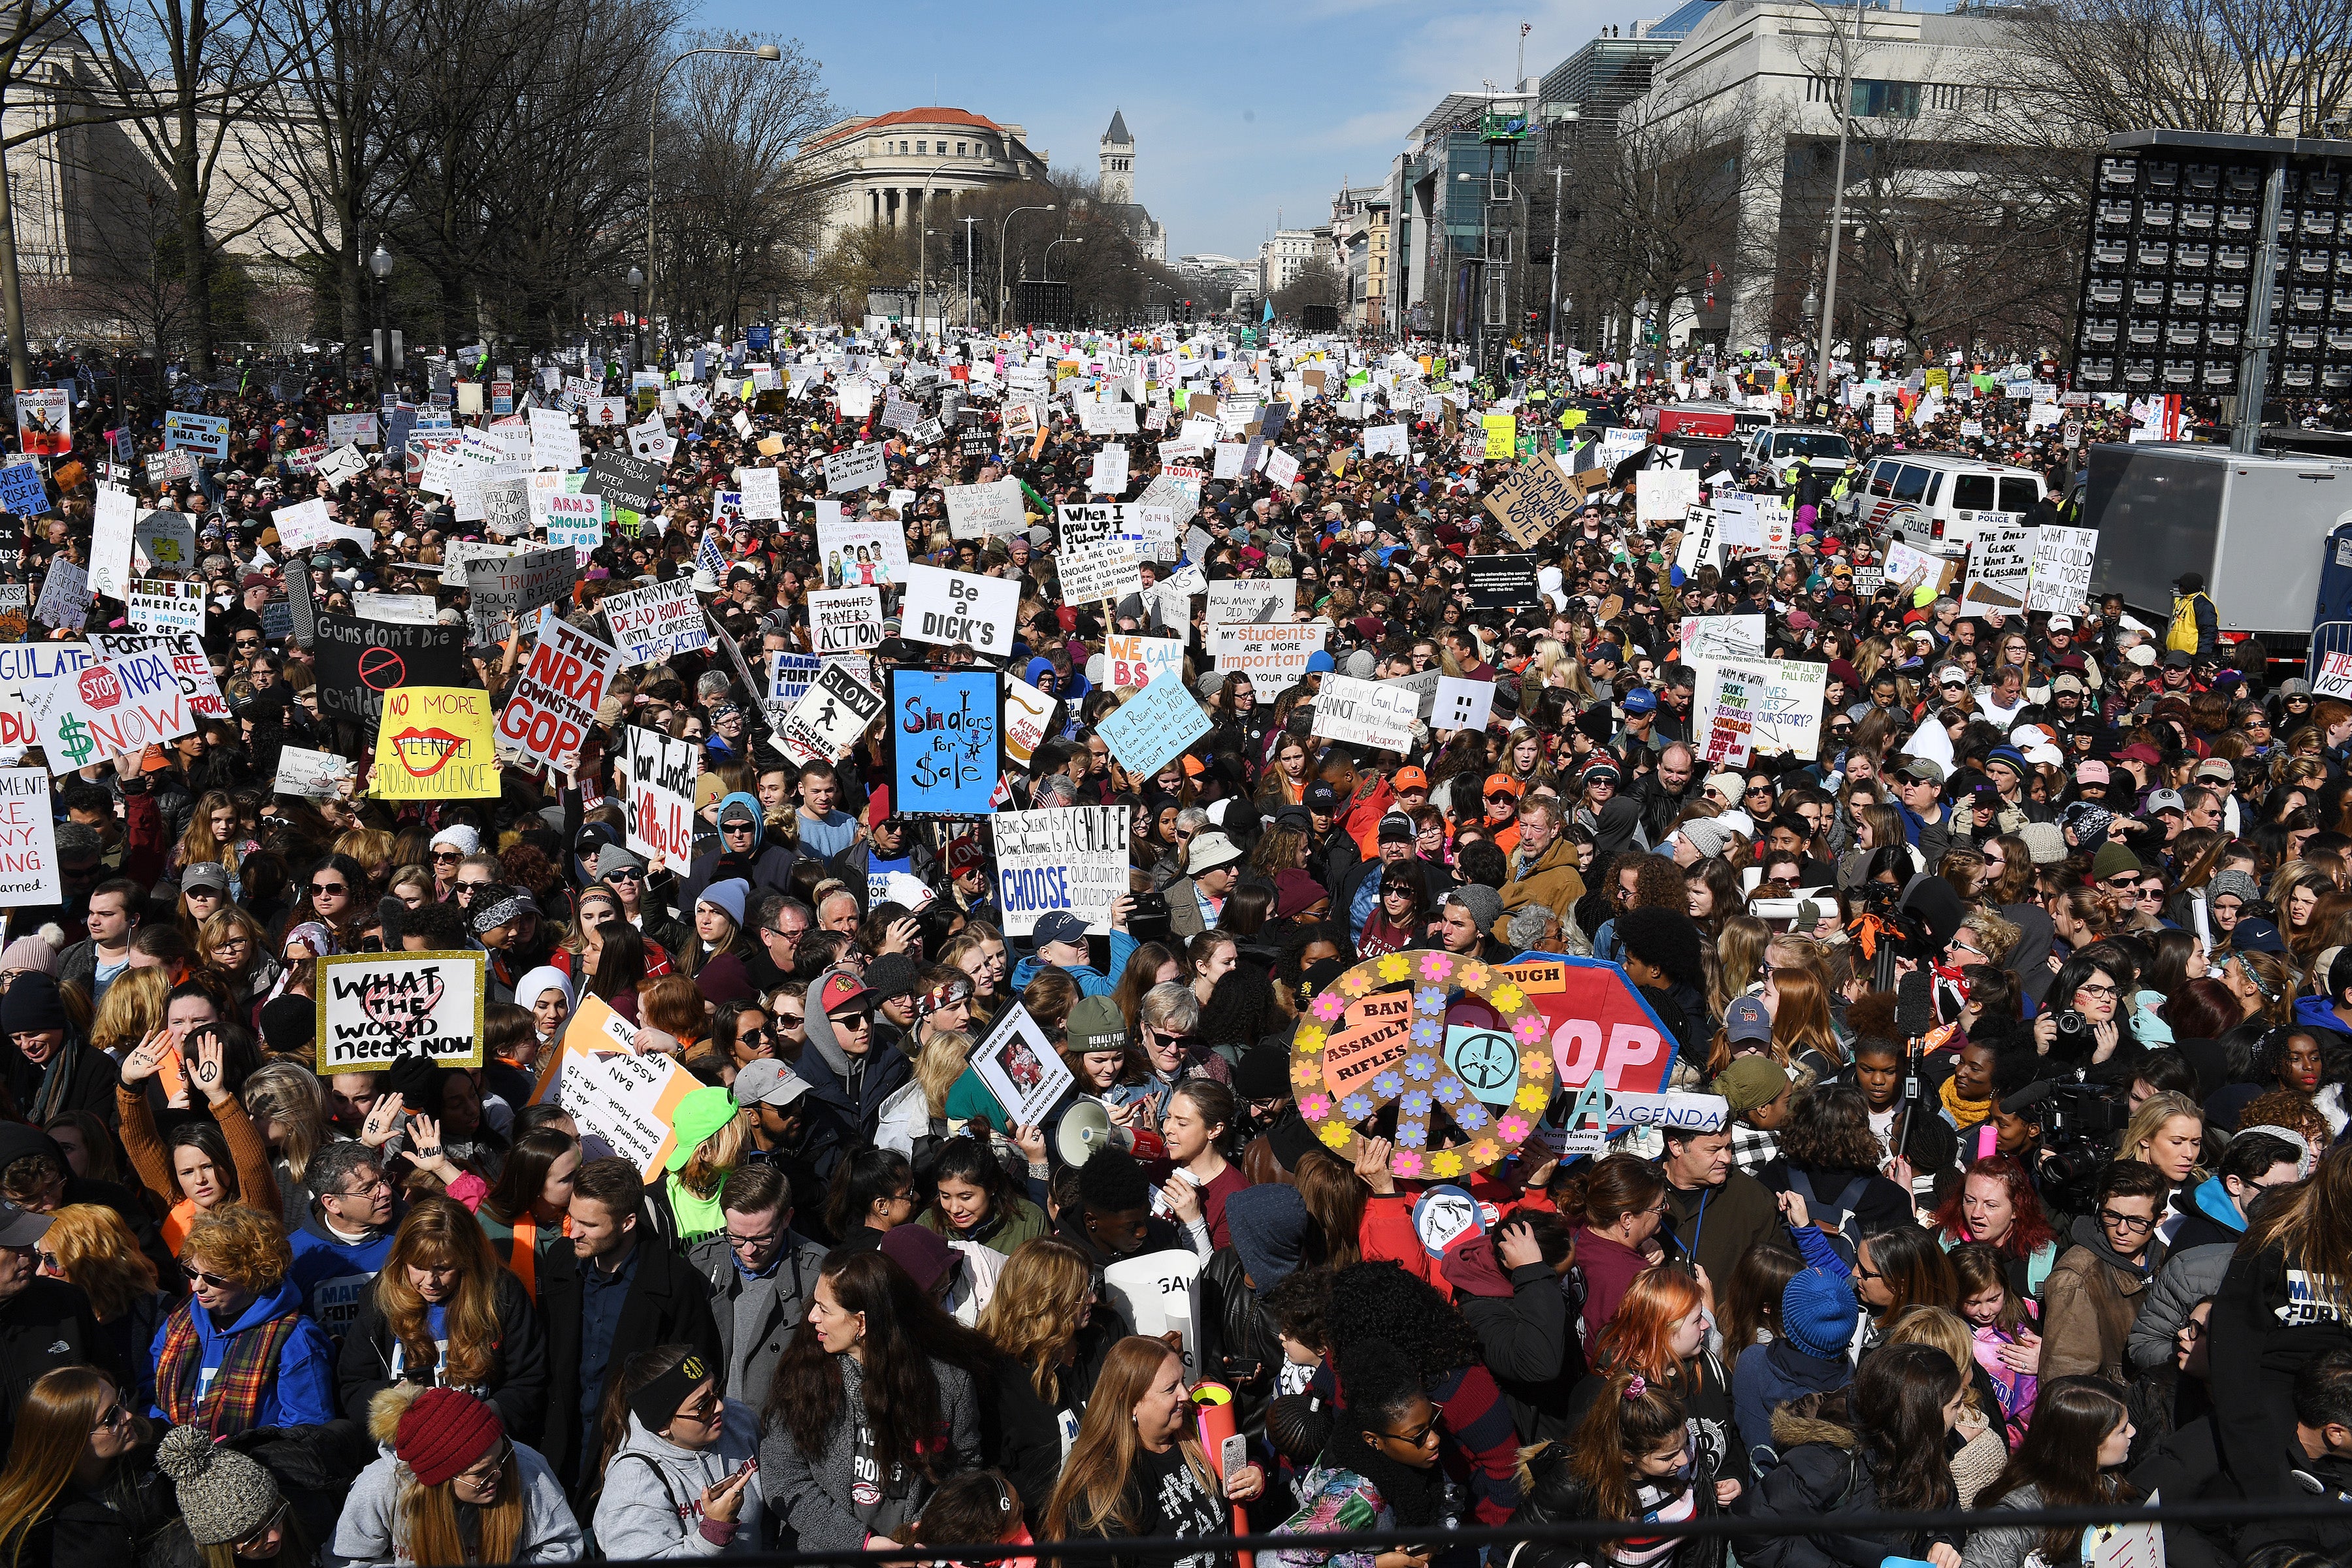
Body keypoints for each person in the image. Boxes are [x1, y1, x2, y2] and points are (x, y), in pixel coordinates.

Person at [760, 1247, 989, 1550]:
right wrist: (862, 1543)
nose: (812, 1316)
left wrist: (928, 1533)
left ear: (862, 1323)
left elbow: (964, 1470)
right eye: (815, 1304)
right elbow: (784, 1478)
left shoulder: (949, 1385)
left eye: (825, 1310)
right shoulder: (804, 1377)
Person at [536, 1156, 720, 1500]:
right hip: (561, 1454)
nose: (572, 1232)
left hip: (632, 1463)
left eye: (588, 1224)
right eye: (571, 1218)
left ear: (627, 1222)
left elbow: (697, 1373)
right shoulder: (562, 1262)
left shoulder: (676, 1285)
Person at [1733, 1342, 1969, 1568]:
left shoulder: (1925, 1444)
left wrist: (1944, 1540)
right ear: (1921, 1415)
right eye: (1956, 1406)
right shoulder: (1828, 1463)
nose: (1961, 1414)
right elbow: (1750, 1529)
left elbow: (1946, 1504)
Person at [337, 1192, 548, 1436]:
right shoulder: (379, 1300)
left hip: (485, 1444)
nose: (430, 1282)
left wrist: (475, 1425)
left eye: (443, 1268)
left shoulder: (502, 1295)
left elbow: (528, 1381)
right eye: (418, 1267)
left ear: (467, 1261)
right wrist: (397, 1397)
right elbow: (354, 1385)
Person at [1044, 1334, 1266, 1566]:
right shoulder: (1107, 1485)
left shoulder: (1194, 1428)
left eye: (1183, 1380)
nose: (1185, 1394)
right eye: (1171, 1389)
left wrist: (1255, 1474)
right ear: (1131, 1403)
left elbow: (1243, 1460)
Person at [335, 1383, 583, 1565]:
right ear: (439, 1478)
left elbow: (562, 1548)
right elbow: (350, 1560)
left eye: (501, 1457)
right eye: (481, 1473)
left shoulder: (527, 1468)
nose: (498, 1473)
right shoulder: (381, 1486)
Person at [1262, 1339, 1454, 1568]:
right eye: (1418, 1435)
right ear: (1373, 1440)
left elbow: (1449, 1505)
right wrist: (1373, 1564)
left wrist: (1433, 1541)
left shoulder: (1419, 1459)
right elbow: (1271, 1559)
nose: (1434, 1440)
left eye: (1434, 1422)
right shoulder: (1355, 1498)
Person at [150, 1201, 336, 1432]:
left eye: (213, 1279)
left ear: (252, 1277)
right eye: (191, 1272)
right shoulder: (179, 1322)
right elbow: (151, 1394)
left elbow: (308, 1429)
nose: (197, 1286)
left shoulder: (294, 1339)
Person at [977, 1237, 1108, 1518]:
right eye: (1080, 1293)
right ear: (1046, 1300)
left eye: (1090, 1287)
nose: (1093, 1299)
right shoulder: (994, 1378)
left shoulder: (1099, 1340)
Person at [593, 1344, 765, 1558]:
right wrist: (714, 1532)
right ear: (663, 1427)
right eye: (702, 1407)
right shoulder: (635, 1482)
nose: (720, 1407)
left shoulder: (737, 1420)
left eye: (717, 1392)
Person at [684, 1163, 829, 1411]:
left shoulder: (819, 1275)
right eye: (736, 1237)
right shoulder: (701, 1264)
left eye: (763, 1238)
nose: (749, 1251)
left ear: (787, 1218)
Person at [0, 1367, 176, 1568]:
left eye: (120, 1402)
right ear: (71, 1443)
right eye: (110, 1418)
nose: (127, 1416)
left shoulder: (157, 1445)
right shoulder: (32, 1526)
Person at [1961, 1377, 2140, 1568]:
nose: (2133, 1432)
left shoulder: (2108, 1480)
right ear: (2086, 1445)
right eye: (2121, 1431)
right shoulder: (2017, 1515)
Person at [2042, 1160, 2168, 1382]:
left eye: (2136, 1221)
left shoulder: (2166, 1259)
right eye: (2112, 1216)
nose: (2121, 1230)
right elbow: (2066, 1383)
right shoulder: (2076, 1278)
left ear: (2159, 1220)